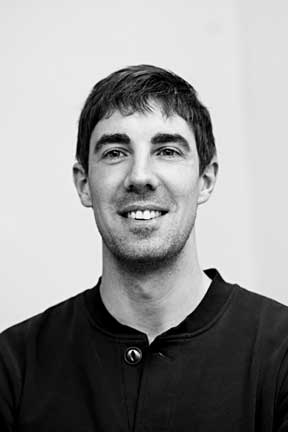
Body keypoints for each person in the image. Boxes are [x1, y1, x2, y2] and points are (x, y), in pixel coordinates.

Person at [1, 65, 288, 432]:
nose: (140, 176)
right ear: (84, 183)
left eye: (167, 150)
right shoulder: (14, 367)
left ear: (206, 179)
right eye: (116, 152)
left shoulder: (280, 356)